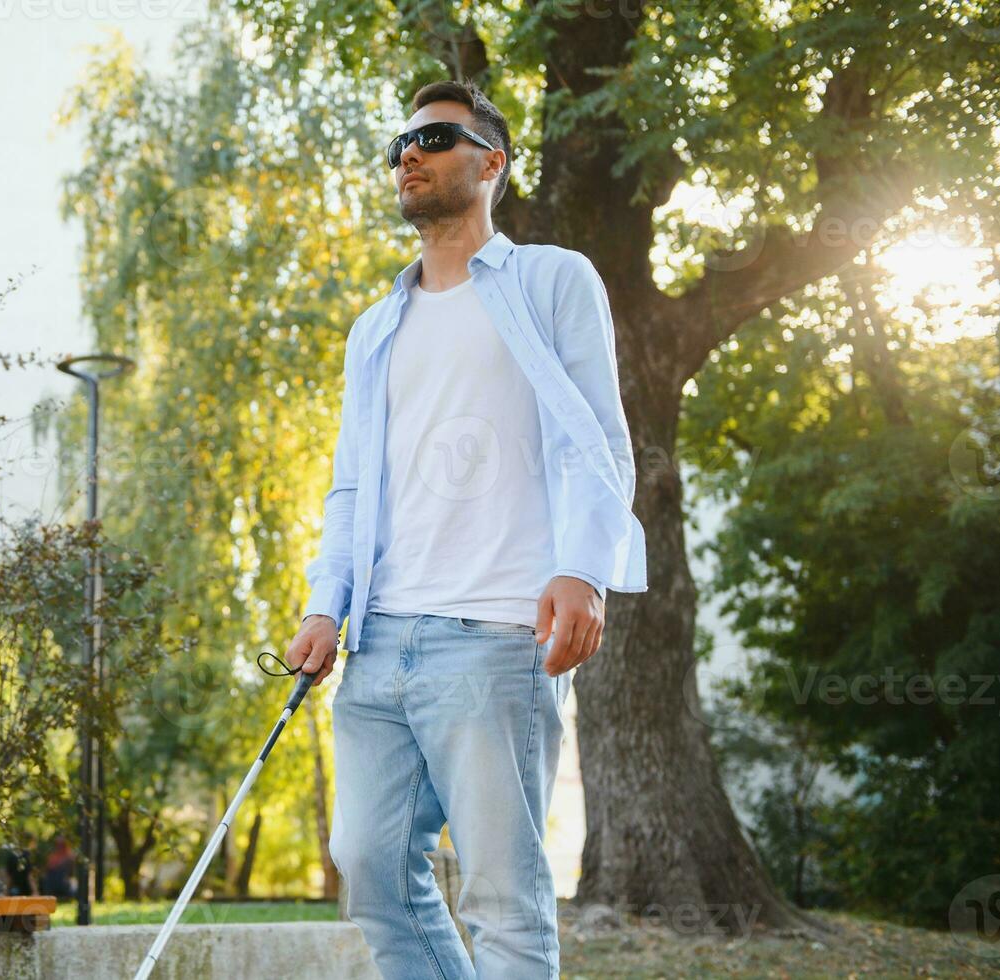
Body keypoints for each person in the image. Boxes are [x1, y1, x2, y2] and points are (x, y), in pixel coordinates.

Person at [285, 79, 647, 980]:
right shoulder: (374, 328)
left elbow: (595, 437)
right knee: (370, 871)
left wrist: (583, 570)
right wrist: (326, 605)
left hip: (493, 635)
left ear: (491, 163)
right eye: (400, 145)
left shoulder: (551, 279)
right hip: (378, 644)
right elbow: (352, 485)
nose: (409, 155)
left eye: (436, 138)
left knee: (503, 901)